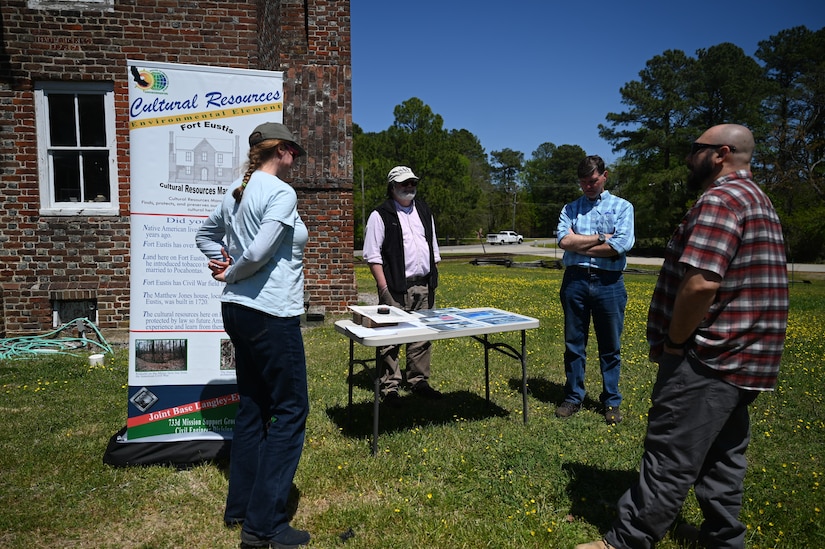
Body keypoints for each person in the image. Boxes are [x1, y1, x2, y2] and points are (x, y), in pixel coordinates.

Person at [577, 124, 789, 549]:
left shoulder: (720, 199)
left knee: (670, 450)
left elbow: (701, 283)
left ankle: (628, 540)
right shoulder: (757, 200)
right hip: (746, 357)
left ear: (720, 154)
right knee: (723, 454)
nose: (689, 156)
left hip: (708, 356)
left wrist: (676, 341)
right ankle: (722, 538)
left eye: (697, 149)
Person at [195, 122, 311, 549]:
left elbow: (204, 235)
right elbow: (259, 253)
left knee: (253, 407)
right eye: (293, 150)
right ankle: (265, 528)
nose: (296, 157)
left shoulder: (237, 192)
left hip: (237, 311)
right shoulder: (280, 193)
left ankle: (241, 508)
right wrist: (231, 268)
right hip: (269, 315)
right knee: (291, 410)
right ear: (279, 150)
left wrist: (223, 264)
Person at [556, 155, 635, 425]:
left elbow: (619, 246)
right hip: (575, 280)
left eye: (592, 181)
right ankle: (574, 396)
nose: (587, 187)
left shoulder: (623, 207)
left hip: (609, 282)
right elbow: (564, 242)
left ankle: (611, 401)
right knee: (574, 344)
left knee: (610, 345)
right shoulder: (571, 208)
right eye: (582, 183)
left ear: (605, 176)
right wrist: (601, 237)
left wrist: (580, 243)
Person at [362, 165, 442, 407]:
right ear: (393, 186)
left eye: (412, 183)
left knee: (421, 337)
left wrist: (432, 281)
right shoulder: (380, 215)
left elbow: (433, 249)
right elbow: (372, 256)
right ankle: (390, 386)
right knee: (390, 338)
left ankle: (418, 381)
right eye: (404, 183)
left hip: (423, 285)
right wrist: (384, 289)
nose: (409, 187)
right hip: (395, 288)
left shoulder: (425, 211)